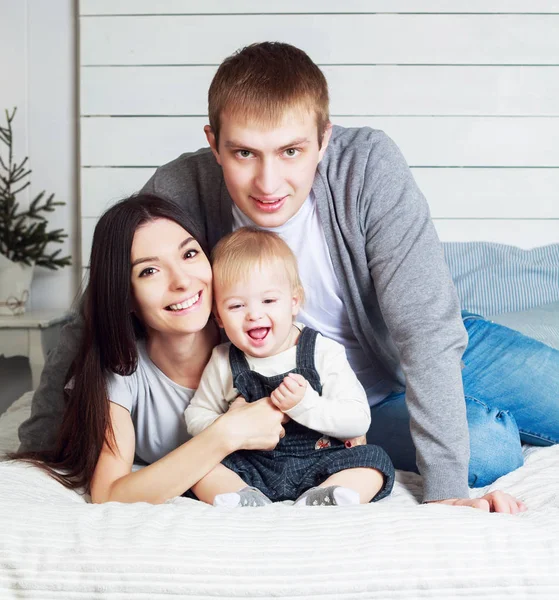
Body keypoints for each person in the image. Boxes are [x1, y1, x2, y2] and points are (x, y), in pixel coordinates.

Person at [20, 42, 559, 512]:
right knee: (485, 446)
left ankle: (463, 408)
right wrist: (35, 450)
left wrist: (445, 493)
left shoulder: (367, 166)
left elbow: (426, 329)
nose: (268, 181)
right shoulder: (183, 186)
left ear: (323, 139)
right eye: (244, 153)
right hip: (343, 406)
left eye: (292, 151)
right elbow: (96, 311)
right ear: (214, 142)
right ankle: (473, 421)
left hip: (413, 343)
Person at [12, 194, 286, 502]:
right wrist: (224, 434)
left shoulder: (255, 337)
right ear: (125, 296)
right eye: (149, 271)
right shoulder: (122, 373)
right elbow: (108, 492)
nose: (182, 281)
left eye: (190, 254)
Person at [185, 227, 395, 507]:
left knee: (374, 460)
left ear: (294, 302)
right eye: (236, 306)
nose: (254, 314)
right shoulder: (224, 360)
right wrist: (230, 424)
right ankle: (240, 498)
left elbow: (357, 419)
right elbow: (195, 416)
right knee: (196, 465)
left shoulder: (322, 351)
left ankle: (327, 496)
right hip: (252, 466)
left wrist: (306, 405)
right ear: (219, 317)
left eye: (269, 300)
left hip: (320, 464)